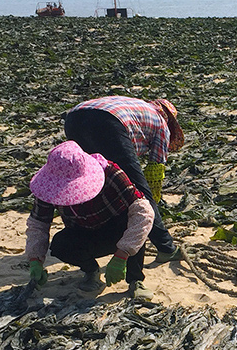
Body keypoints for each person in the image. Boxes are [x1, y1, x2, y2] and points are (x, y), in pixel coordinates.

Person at [25, 140, 155, 299]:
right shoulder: (47, 186)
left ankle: (136, 280)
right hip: (83, 231)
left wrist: (123, 253)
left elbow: (143, 212)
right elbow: (38, 224)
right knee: (60, 244)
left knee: (134, 224)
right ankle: (91, 270)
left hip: (116, 228)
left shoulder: (111, 173)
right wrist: (35, 259)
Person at [63, 96, 184, 263]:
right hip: (109, 123)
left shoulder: (137, 107)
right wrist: (152, 198)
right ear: (169, 119)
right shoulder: (161, 123)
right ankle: (166, 248)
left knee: (92, 179)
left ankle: (90, 235)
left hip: (74, 118)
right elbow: (155, 171)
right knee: (140, 192)